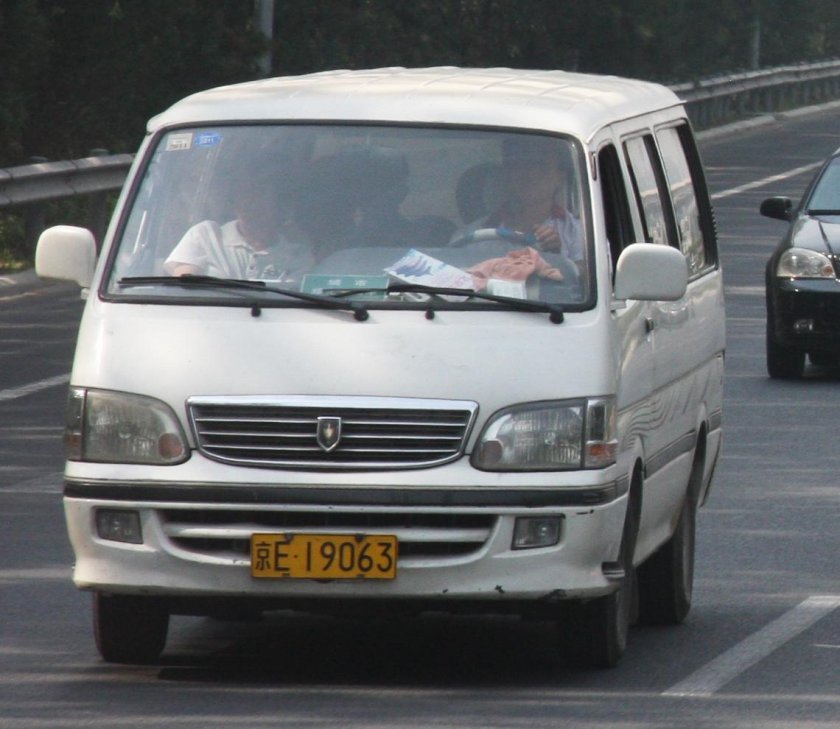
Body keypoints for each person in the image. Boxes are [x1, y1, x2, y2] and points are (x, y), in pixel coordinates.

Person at [164, 162, 313, 281]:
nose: (247, 203)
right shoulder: (205, 234)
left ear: (281, 204)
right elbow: (184, 285)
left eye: (258, 194)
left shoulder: (297, 255)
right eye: (243, 194)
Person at [454, 135, 585, 265]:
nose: (530, 175)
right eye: (520, 165)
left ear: (560, 176)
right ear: (506, 173)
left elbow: (584, 282)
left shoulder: (579, 234)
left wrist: (556, 257)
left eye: (540, 166)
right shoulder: (469, 237)